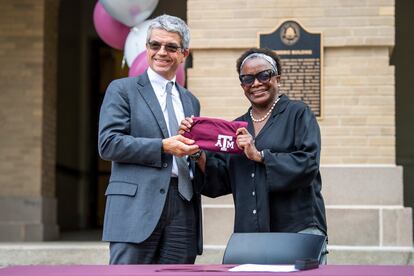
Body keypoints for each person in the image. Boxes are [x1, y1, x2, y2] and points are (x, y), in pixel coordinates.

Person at [180, 48, 328, 263]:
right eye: (248, 79)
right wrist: (197, 152)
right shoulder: (236, 127)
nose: (256, 83)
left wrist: (260, 156)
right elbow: (221, 180)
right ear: (242, 85)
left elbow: (308, 164)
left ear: (277, 78)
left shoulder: (298, 113)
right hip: (251, 234)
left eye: (264, 75)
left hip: (297, 229)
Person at [98, 14, 203, 264]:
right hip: (135, 208)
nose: (161, 52)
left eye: (171, 47)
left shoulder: (191, 100)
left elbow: (191, 152)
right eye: (155, 45)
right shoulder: (122, 89)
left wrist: (198, 153)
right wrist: (163, 146)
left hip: (183, 205)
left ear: (183, 54)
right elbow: (109, 143)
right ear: (146, 48)